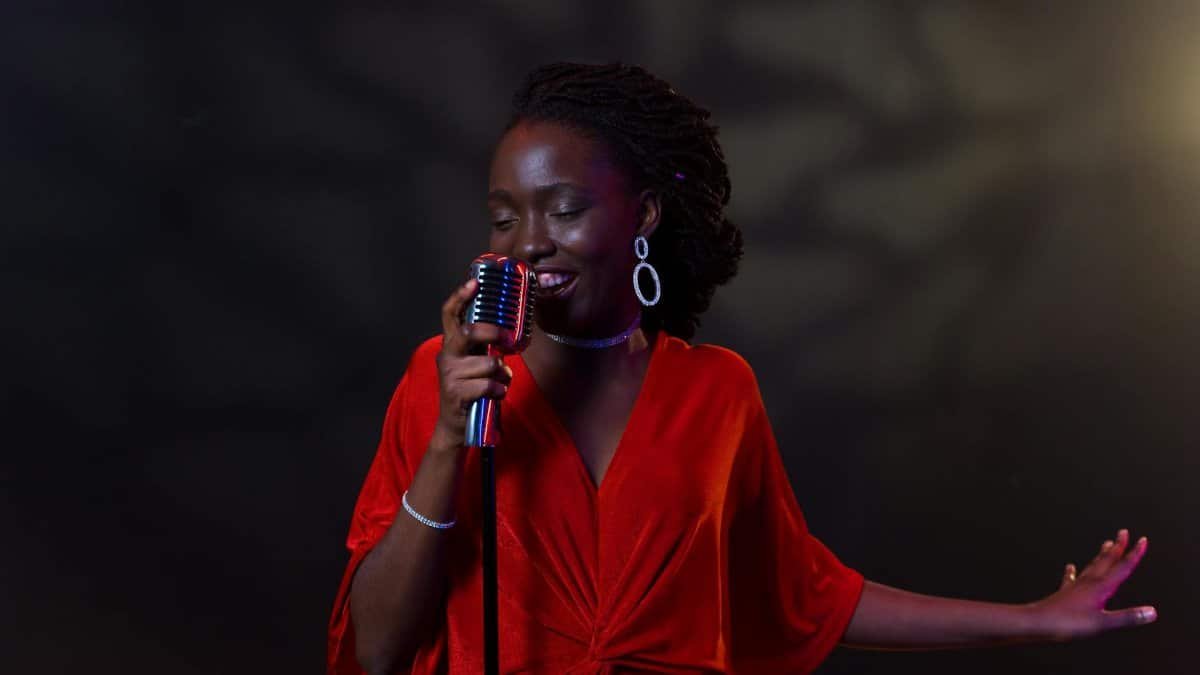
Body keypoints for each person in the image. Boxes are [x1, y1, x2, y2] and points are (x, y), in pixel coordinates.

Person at [327, 62, 1156, 675]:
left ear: (643, 214)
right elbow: (376, 647)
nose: (529, 242)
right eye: (505, 218)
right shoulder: (445, 378)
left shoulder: (716, 392)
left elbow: (812, 597)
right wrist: (449, 437)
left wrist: (1032, 619)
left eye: (565, 208)